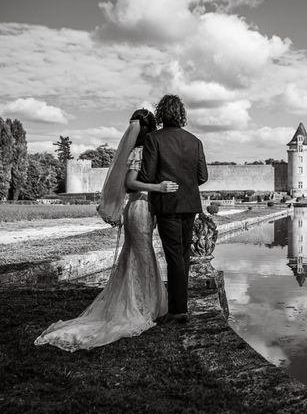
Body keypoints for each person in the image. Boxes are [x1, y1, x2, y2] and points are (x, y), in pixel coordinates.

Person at [34, 109, 179, 352]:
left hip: (144, 208)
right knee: (141, 256)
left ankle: (142, 302)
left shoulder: (148, 150)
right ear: (150, 129)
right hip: (139, 207)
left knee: (137, 256)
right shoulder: (139, 151)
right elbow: (129, 183)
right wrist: (159, 187)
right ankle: (140, 306)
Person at [137, 95, 208, 324]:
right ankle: (180, 306)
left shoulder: (154, 139)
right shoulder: (195, 141)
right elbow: (202, 177)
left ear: (161, 113)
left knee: (174, 256)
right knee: (183, 255)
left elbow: (147, 176)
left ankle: (178, 311)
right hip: (189, 204)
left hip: (167, 204)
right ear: (181, 114)